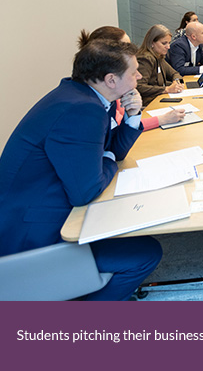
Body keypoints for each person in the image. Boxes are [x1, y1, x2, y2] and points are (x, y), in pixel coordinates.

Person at [0, 40, 162, 300]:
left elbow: (112, 151)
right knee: (146, 253)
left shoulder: (83, 95)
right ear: (111, 79)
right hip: (32, 235)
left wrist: (133, 116)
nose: (140, 76)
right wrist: (107, 159)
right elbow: (85, 192)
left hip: (39, 210)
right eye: (133, 72)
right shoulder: (83, 109)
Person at [79, 26, 185, 129]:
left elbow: (119, 136)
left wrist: (133, 116)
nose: (138, 76)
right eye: (126, 48)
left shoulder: (110, 96)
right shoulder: (89, 107)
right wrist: (162, 119)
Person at [136, 24, 185, 107]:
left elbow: (174, 73)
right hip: (150, 104)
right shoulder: (145, 59)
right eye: (164, 43)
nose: (168, 47)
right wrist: (166, 89)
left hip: (159, 98)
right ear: (152, 43)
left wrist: (176, 82)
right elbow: (139, 86)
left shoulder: (159, 56)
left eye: (169, 43)